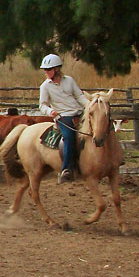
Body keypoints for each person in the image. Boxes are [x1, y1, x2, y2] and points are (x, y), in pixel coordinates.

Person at [38, 53, 89, 184]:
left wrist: (89, 105)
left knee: (98, 127)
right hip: (63, 117)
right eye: (45, 70)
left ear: (57, 69)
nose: (46, 72)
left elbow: (79, 96)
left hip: (79, 113)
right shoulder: (45, 86)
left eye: (48, 69)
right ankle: (66, 169)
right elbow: (42, 105)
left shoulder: (69, 80)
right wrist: (50, 111)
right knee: (69, 137)